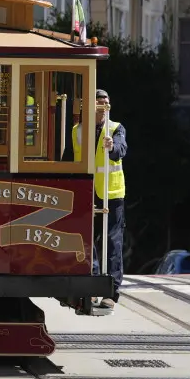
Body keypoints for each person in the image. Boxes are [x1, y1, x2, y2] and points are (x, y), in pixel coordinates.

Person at [72, 88, 127, 309]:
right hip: (86, 192)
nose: (103, 106)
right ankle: (92, 286)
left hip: (111, 194)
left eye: (106, 102)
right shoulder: (78, 130)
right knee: (87, 240)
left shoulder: (115, 128)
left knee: (112, 242)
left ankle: (111, 292)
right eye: (99, 102)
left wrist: (112, 147)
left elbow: (121, 149)